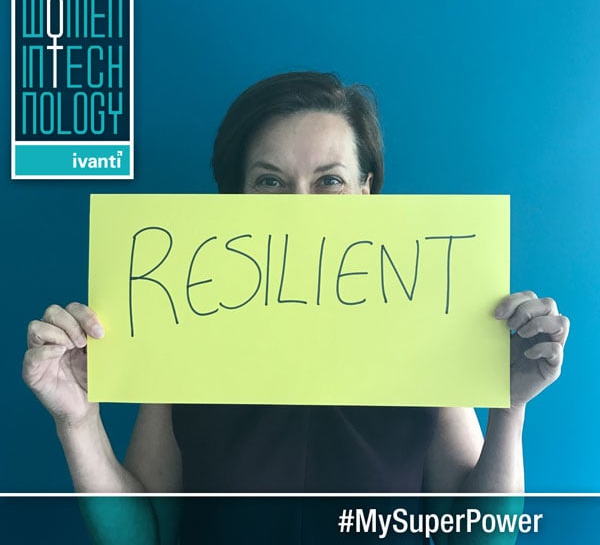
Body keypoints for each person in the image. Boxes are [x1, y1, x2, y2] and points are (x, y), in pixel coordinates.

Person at [23, 72, 569, 544]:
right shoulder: (184, 333)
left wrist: (508, 408)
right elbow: (146, 535)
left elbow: (482, 534)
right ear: (234, 201)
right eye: (270, 182)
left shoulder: (422, 328)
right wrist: (78, 423)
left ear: (366, 191)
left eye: (328, 181)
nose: (299, 209)